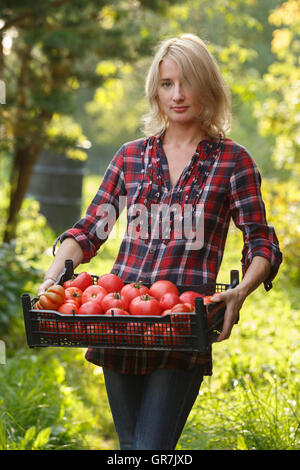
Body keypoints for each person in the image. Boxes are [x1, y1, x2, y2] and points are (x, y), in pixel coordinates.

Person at [38, 34, 282, 450]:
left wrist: (240, 292)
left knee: (150, 447)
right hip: (117, 321)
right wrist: (54, 277)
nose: (178, 95)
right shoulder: (130, 157)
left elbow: (261, 242)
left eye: (187, 82)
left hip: (182, 324)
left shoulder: (233, 161)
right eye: (168, 84)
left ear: (209, 87)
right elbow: (90, 229)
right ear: (155, 90)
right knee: (132, 448)